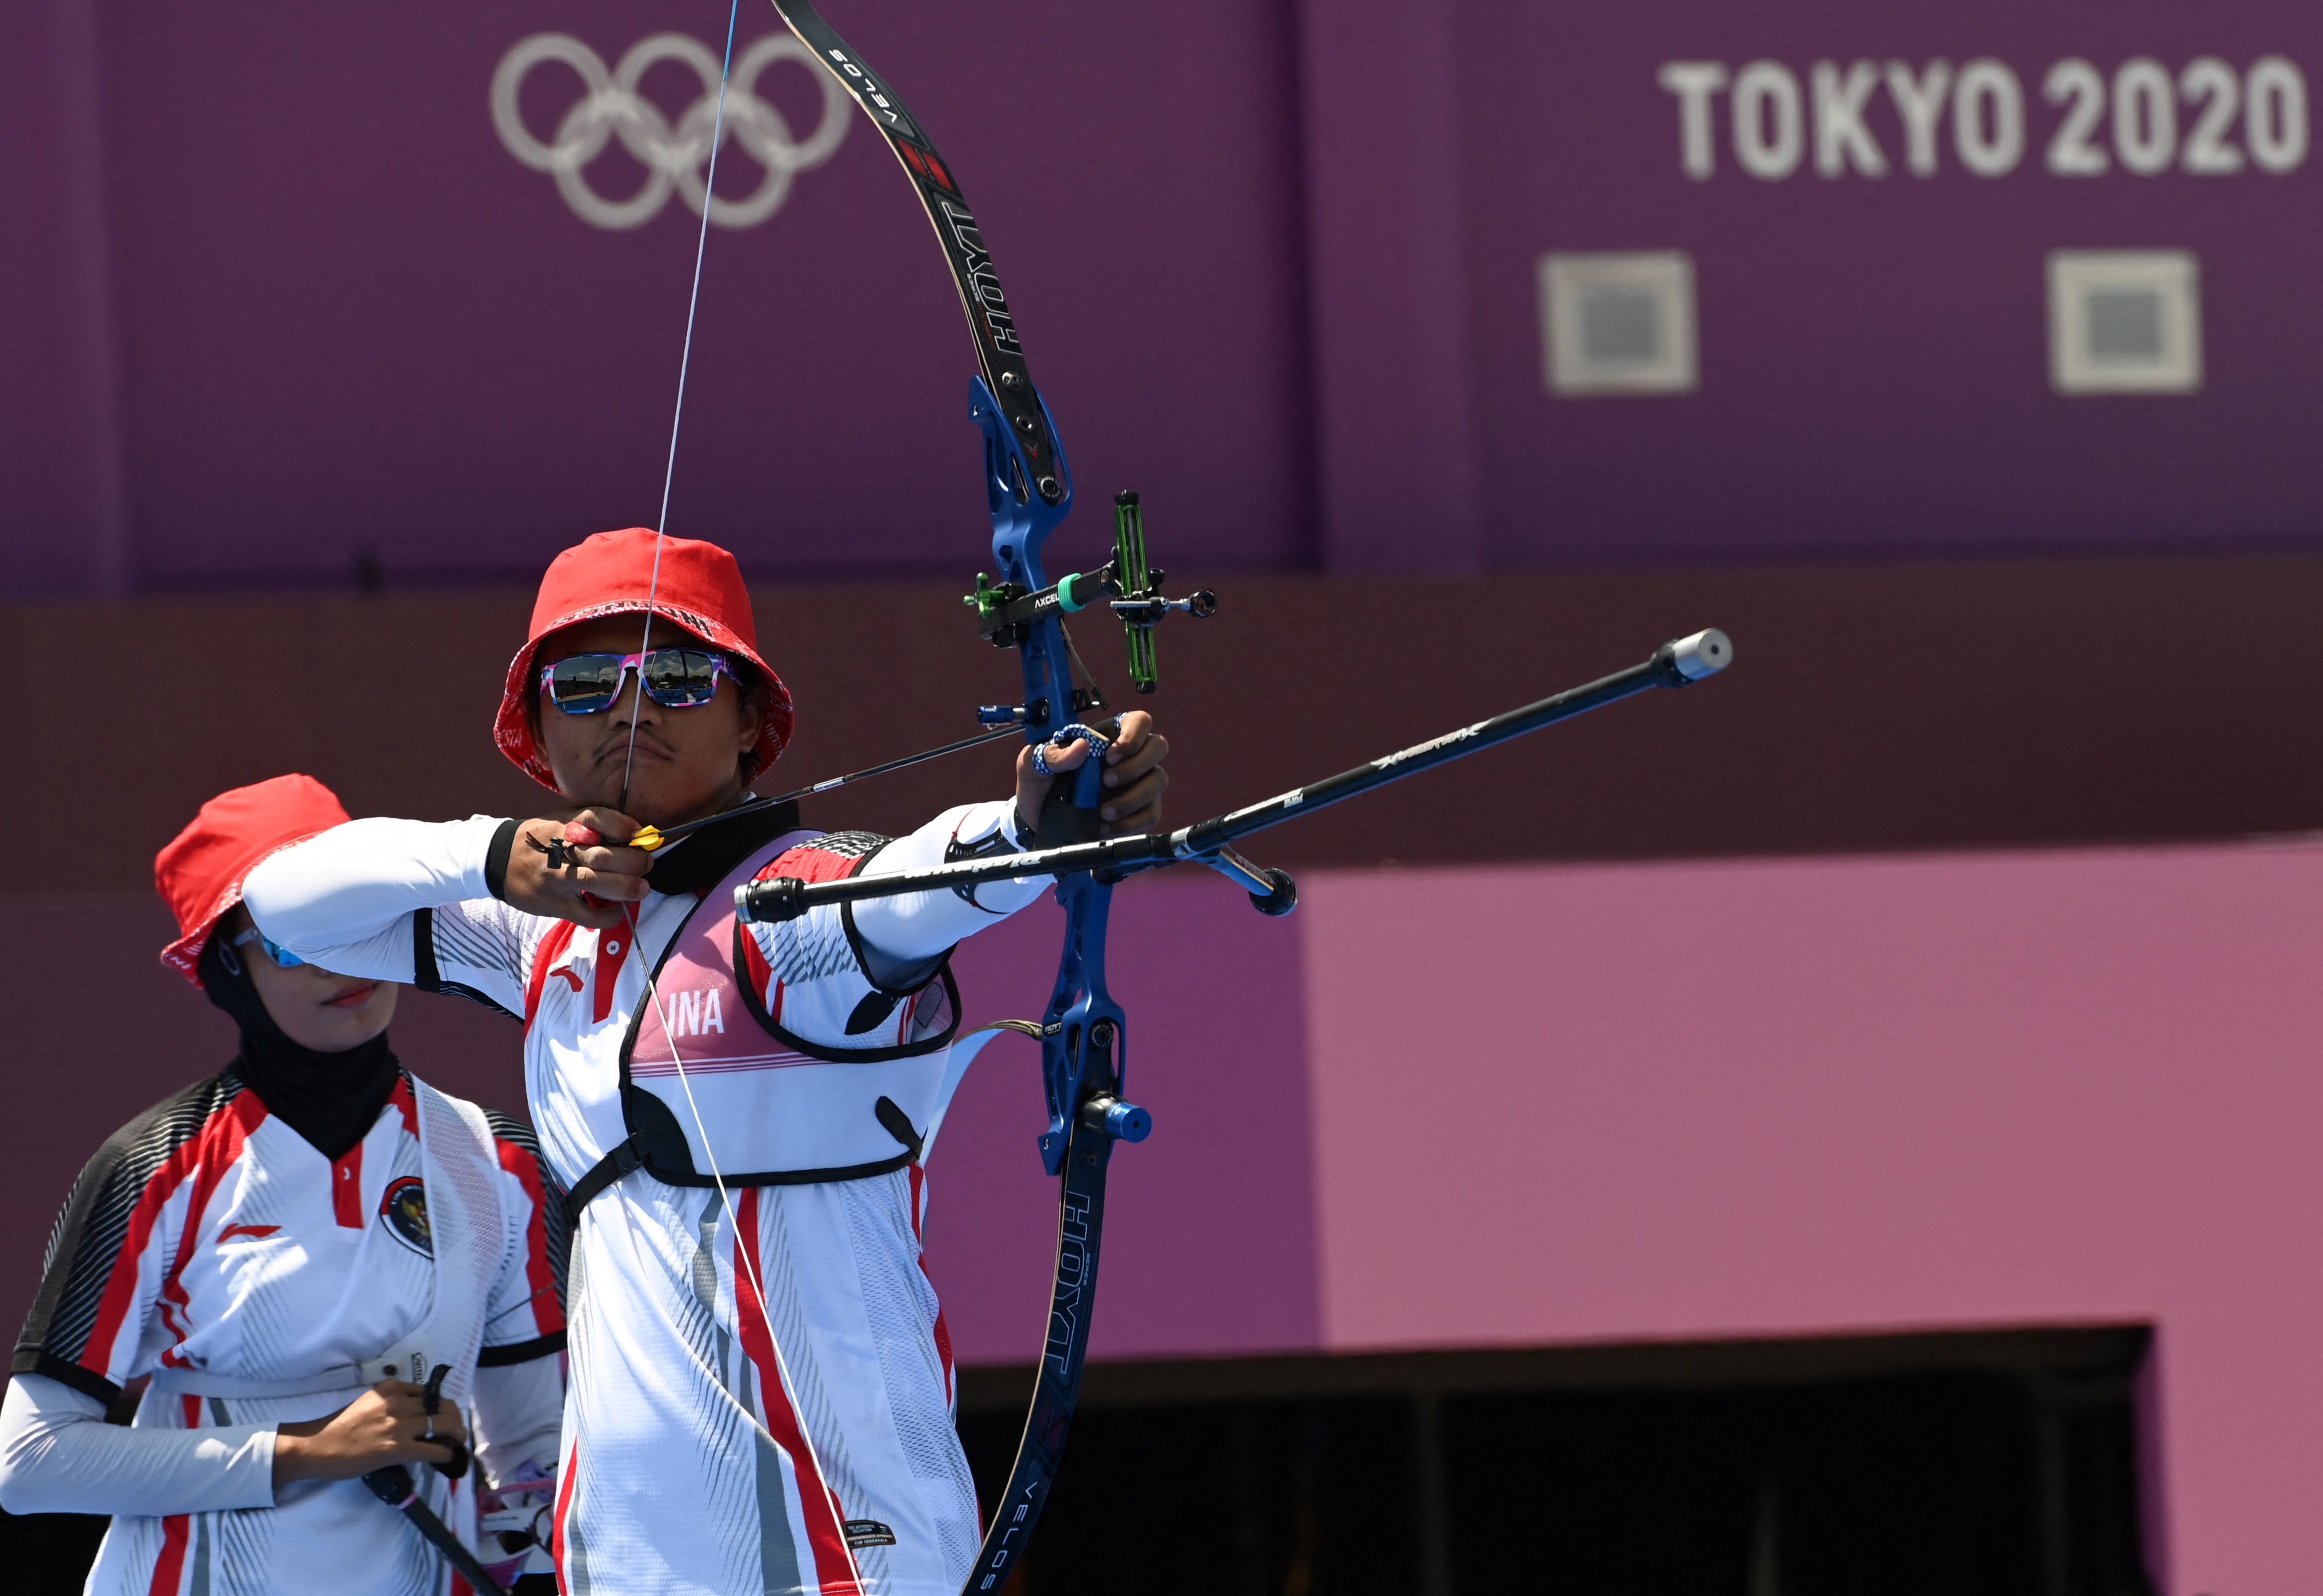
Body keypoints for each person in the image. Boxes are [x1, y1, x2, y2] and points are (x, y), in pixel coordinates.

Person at [239, 527, 1171, 1595]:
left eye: (680, 677)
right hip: (626, 1548)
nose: (631, 709)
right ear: (540, 729)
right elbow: (285, 903)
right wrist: (493, 854)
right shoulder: (537, 935)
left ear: (749, 723)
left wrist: (1030, 823)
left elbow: (922, 879)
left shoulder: (800, 908)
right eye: (585, 684)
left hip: (837, 1538)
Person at [2, 775, 568, 1595]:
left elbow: (535, 1459)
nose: (346, 964)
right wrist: (308, 1449)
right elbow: (32, 1461)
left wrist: (534, 1546)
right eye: (297, 944)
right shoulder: (153, 1166)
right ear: (225, 970)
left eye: (360, 927)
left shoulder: (501, 1158)